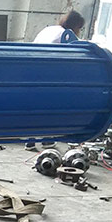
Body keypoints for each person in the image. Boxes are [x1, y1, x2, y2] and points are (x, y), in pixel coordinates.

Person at [26, 11, 86, 150]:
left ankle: (30, 140)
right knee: (51, 109)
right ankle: (47, 140)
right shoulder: (66, 35)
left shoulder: (49, 30)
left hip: (32, 73)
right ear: (75, 25)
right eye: (80, 28)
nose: (79, 31)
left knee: (34, 108)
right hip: (50, 76)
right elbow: (75, 54)